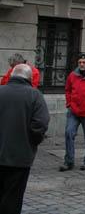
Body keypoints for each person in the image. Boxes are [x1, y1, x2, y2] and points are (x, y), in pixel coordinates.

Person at [0, 64, 49, 214]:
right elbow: (40, 124)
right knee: (13, 197)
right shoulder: (35, 95)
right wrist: (31, 142)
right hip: (20, 157)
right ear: (30, 78)